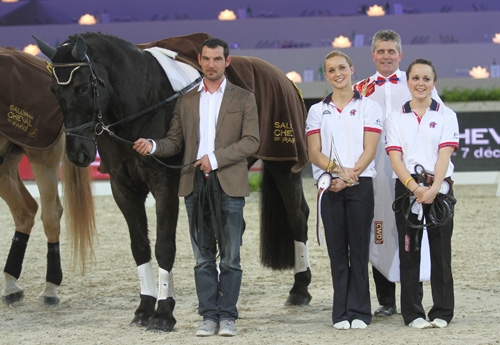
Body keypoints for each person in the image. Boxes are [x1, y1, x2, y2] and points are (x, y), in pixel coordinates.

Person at [133, 37, 260, 337]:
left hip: (228, 184)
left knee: (230, 258)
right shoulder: (186, 99)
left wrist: (214, 159)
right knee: (203, 258)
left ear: (227, 61)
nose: (211, 64)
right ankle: (208, 317)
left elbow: (251, 142)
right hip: (194, 186)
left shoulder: (244, 98)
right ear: (200, 61)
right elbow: (176, 141)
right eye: (206, 59)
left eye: (217, 59)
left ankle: (227, 316)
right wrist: (152, 145)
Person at [353, 29, 440, 317]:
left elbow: (438, 123)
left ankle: (413, 299)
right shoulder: (361, 89)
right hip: (375, 176)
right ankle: (386, 300)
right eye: (381, 51)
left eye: (392, 51)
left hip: (413, 178)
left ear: (400, 55)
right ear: (373, 55)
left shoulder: (417, 83)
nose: (386, 56)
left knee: (414, 234)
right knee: (377, 234)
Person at [306, 51, 382, 329]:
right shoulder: (316, 110)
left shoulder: (369, 107)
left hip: (361, 185)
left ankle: (361, 311)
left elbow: (370, 149)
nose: (337, 73)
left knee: (359, 251)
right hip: (330, 187)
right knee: (337, 253)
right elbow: (314, 152)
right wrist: (337, 174)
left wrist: (350, 177)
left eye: (342, 68)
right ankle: (341, 312)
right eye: (331, 70)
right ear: (326, 76)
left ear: (351, 69)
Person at [385, 58, 458, 328]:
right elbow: (395, 159)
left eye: (426, 78)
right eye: (415, 78)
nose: (420, 83)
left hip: (440, 190)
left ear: (434, 83)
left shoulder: (446, 115)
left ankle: (442, 311)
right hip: (407, 190)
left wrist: (434, 189)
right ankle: (413, 313)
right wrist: (415, 188)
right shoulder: (395, 117)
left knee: (441, 252)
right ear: (408, 82)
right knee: (409, 251)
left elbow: (444, 155)